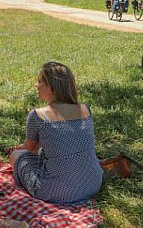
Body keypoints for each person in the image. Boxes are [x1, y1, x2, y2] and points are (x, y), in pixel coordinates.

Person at [9, 62, 103, 205]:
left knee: (16, 156)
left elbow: (30, 149)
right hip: (93, 183)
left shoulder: (37, 116)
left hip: (56, 192)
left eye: (40, 81)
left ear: (51, 88)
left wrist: (17, 148)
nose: (36, 85)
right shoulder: (85, 110)